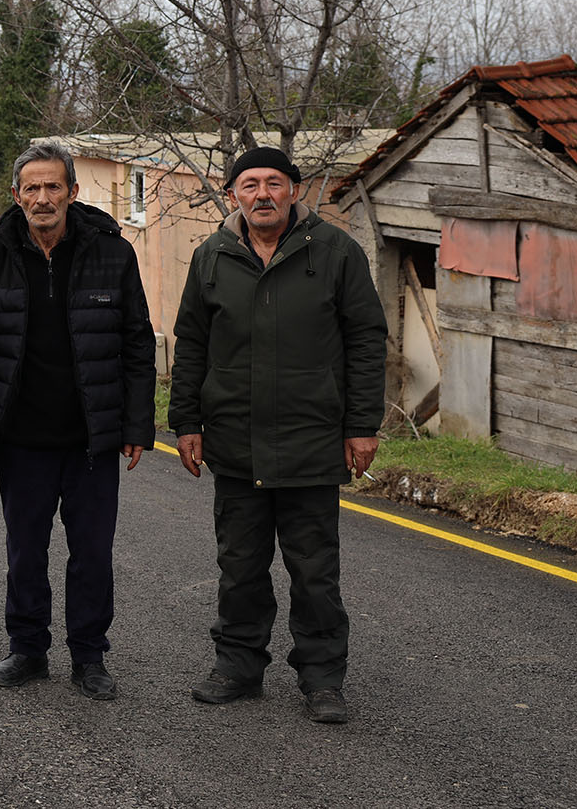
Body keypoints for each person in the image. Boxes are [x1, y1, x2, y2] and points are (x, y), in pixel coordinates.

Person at [169, 145, 387, 725]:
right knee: (239, 565)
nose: (261, 193)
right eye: (248, 184)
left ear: (294, 188)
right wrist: (186, 421)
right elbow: (190, 342)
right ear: (233, 193)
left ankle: (322, 679)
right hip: (235, 442)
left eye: (273, 182)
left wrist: (363, 425)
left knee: (315, 570)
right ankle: (237, 667)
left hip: (311, 440)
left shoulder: (336, 252)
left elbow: (366, 340)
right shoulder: (211, 256)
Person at [0, 140, 156, 702]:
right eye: (32, 188)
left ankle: (90, 656)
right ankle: (27, 648)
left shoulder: (112, 254)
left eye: (53, 187)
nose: (43, 197)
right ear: (16, 195)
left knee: (92, 551)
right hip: (20, 439)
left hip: (91, 438)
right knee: (25, 549)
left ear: (72, 191)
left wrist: (137, 427)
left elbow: (136, 344)